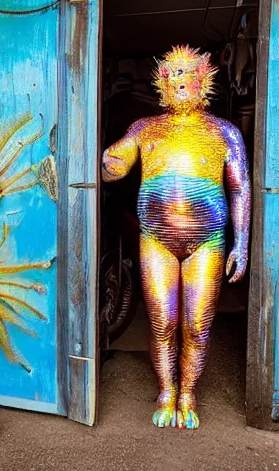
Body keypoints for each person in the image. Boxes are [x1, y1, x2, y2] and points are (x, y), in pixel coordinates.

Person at [102, 45, 251, 429]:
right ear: (162, 85)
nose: (181, 82)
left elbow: (240, 189)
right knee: (163, 322)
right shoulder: (144, 128)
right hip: (156, 240)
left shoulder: (225, 132)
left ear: (203, 81)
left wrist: (243, 242)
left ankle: (188, 392)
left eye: (188, 75)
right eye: (173, 77)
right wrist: (107, 162)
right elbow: (113, 168)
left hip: (208, 242)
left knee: (198, 325)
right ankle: (167, 389)